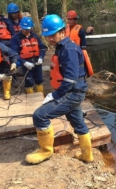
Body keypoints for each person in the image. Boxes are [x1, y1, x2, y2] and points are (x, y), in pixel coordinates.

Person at [25, 14, 93, 164]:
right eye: (47, 36)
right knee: (78, 122)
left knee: (40, 116)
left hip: (72, 93)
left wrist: (55, 95)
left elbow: (70, 79)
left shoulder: (68, 49)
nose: (49, 39)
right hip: (74, 91)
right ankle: (87, 155)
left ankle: (45, 151)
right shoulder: (62, 47)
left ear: (62, 32)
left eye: (52, 35)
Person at [11, 16, 47, 94]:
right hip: (26, 63)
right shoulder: (16, 38)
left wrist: (41, 57)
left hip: (37, 61)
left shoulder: (35, 36)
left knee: (39, 80)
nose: (26, 31)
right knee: (29, 81)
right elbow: (15, 54)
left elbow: (42, 48)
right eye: (24, 28)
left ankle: (41, 97)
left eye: (28, 29)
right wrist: (24, 63)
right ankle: (30, 97)